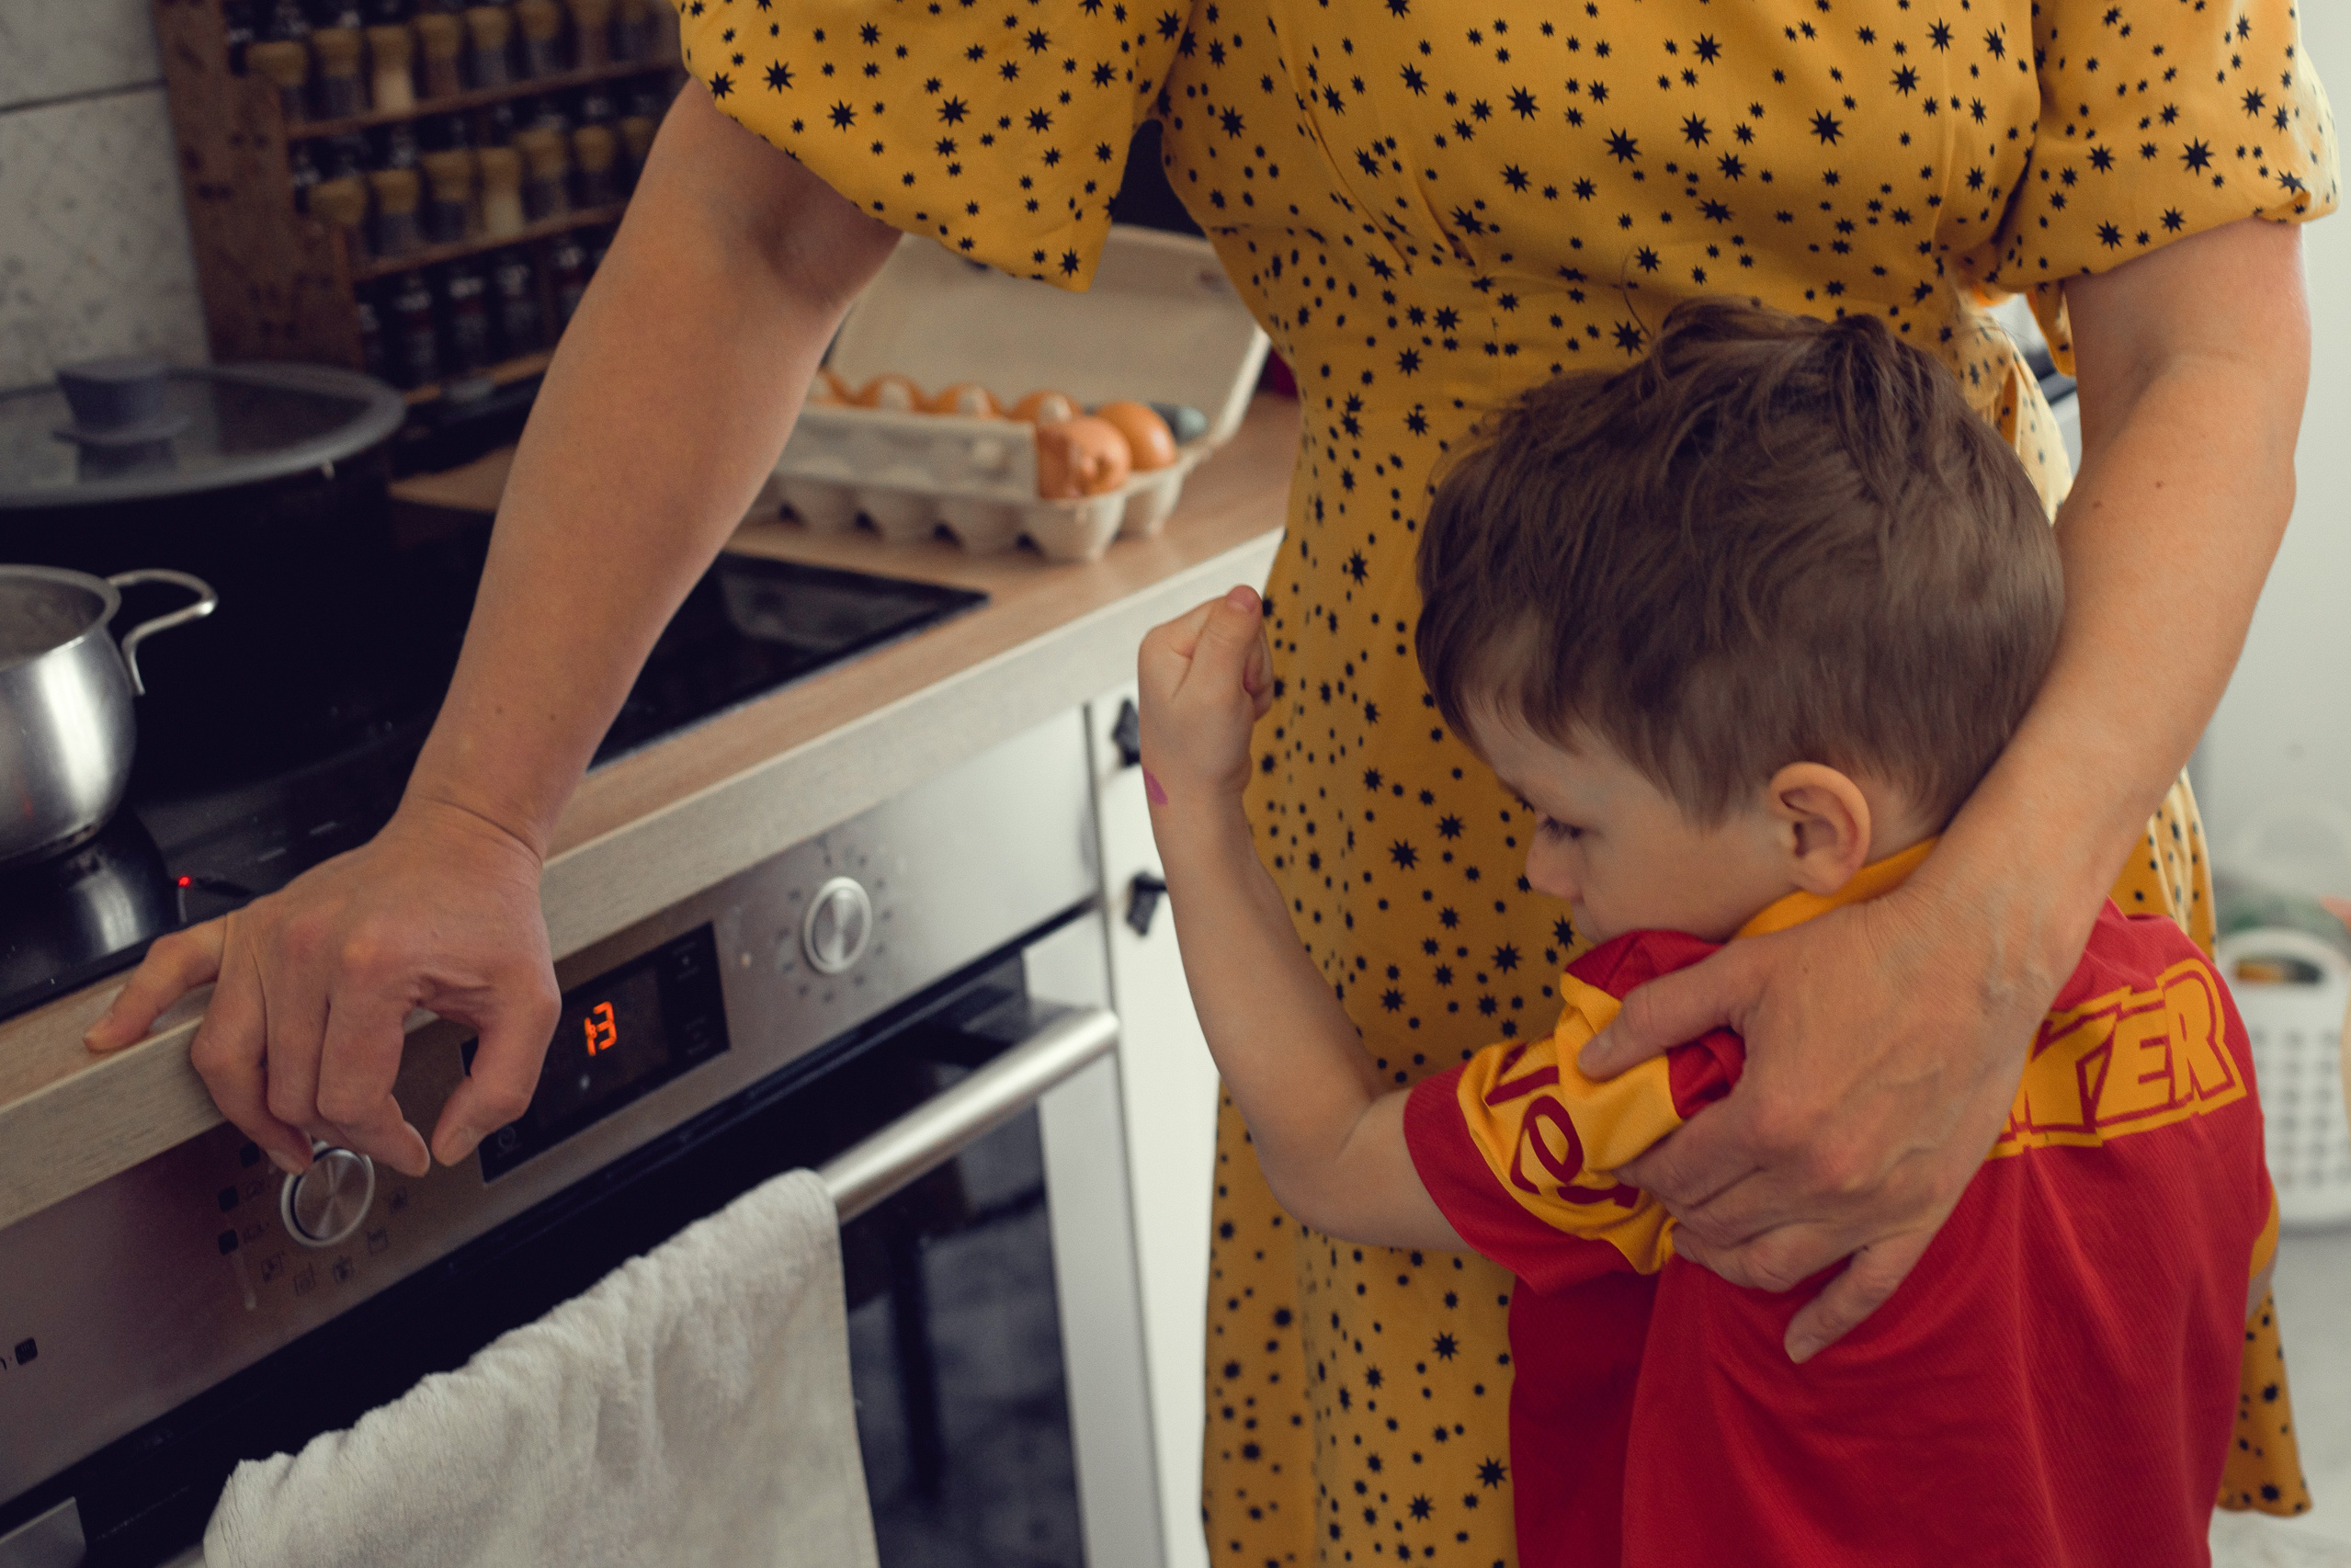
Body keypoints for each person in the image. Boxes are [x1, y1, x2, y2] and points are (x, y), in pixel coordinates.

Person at [85, 2, 2332, 1556]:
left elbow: (2201, 343)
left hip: (1967, 809)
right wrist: (473, 821)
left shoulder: (1992, 906)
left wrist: (1982, 927)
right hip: (1462, 857)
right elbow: (759, 224)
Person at [1137, 299, 2278, 1565]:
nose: (1534, 867)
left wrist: (1196, 813)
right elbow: (2222, 1294)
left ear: (1805, 827)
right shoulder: (2180, 1007)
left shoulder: (1683, 1074)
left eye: (1566, 820)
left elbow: (1326, 1154)